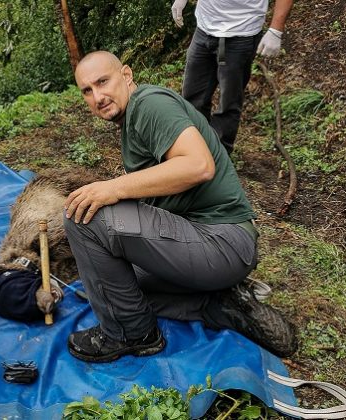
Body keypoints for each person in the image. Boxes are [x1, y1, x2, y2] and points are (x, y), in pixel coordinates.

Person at [63, 51, 297, 363]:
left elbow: (198, 166)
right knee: (113, 287)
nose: (98, 96)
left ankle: (130, 334)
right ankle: (217, 305)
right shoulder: (132, 120)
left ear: (127, 75)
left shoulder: (149, 105)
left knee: (84, 219)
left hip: (221, 242)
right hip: (208, 247)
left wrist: (112, 188)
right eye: (87, 91)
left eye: (102, 82)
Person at [171, 0, 293, 154]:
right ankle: (193, 150)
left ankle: (219, 157)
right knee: (192, 97)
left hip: (240, 34)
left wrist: (276, 29)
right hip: (204, 28)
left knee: (229, 102)